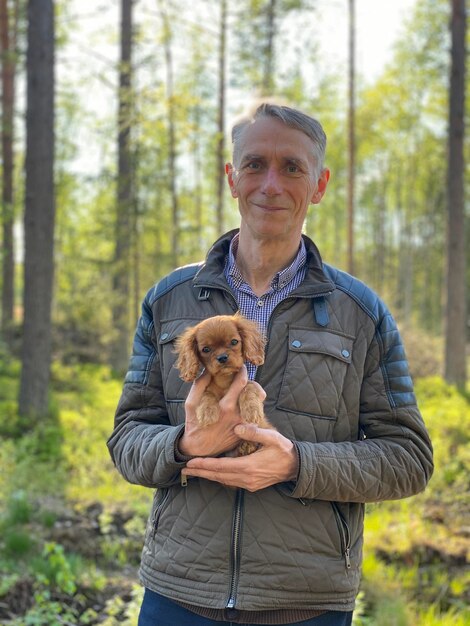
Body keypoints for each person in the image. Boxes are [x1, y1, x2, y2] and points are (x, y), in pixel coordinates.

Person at [107, 102, 433, 626]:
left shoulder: (361, 312)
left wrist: (296, 463)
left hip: (307, 599)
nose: (271, 184)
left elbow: (409, 458)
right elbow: (127, 438)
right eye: (255, 164)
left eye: (293, 168)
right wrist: (184, 446)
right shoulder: (169, 300)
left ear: (320, 184)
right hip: (179, 591)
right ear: (232, 179)